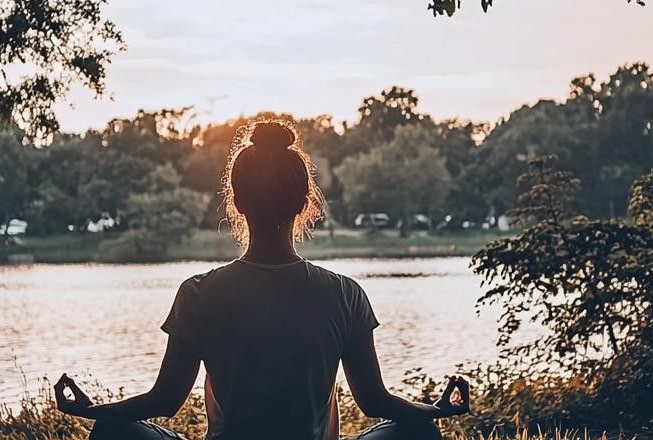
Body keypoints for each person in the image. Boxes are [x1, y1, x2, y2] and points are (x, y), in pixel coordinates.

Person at [54, 120, 471, 439]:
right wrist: (435, 411)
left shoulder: (200, 294)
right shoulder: (345, 294)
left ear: (236, 200)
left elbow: (164, 401)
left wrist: (95, 412)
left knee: (113, 430)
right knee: (419, 431)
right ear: (304, 201)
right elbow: (375, 401)